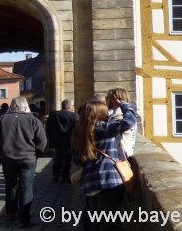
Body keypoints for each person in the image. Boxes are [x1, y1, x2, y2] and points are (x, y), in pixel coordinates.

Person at [74, 97, 137, 231]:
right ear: (99, 114)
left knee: (96, 223)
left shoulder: (79, 131)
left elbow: (76, 159)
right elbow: (128, 122)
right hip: (108, 181)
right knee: (110, 224)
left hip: (90, 182)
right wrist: (125, 106)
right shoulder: (100, 127)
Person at [0, 96, 47, 228]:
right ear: (26, 106)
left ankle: (11, 212)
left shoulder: (2, 119)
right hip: (28, 158)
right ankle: (24, 217)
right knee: (26, 188)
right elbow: (42, 141)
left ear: (12, 106)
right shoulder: (33, 120)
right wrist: (37, 154)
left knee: (10, 185)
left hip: (8, 159)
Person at [46, 99, 79, 183]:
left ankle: (55, 174)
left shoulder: (53, 114)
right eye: (72, 105)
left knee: (57, 157)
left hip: (56, 140)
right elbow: (78, 129)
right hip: (68, 141)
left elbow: (48, 128)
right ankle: (64, 176)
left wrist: (50, 139)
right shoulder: (74, 115)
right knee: (67, 158)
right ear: (69, 106)